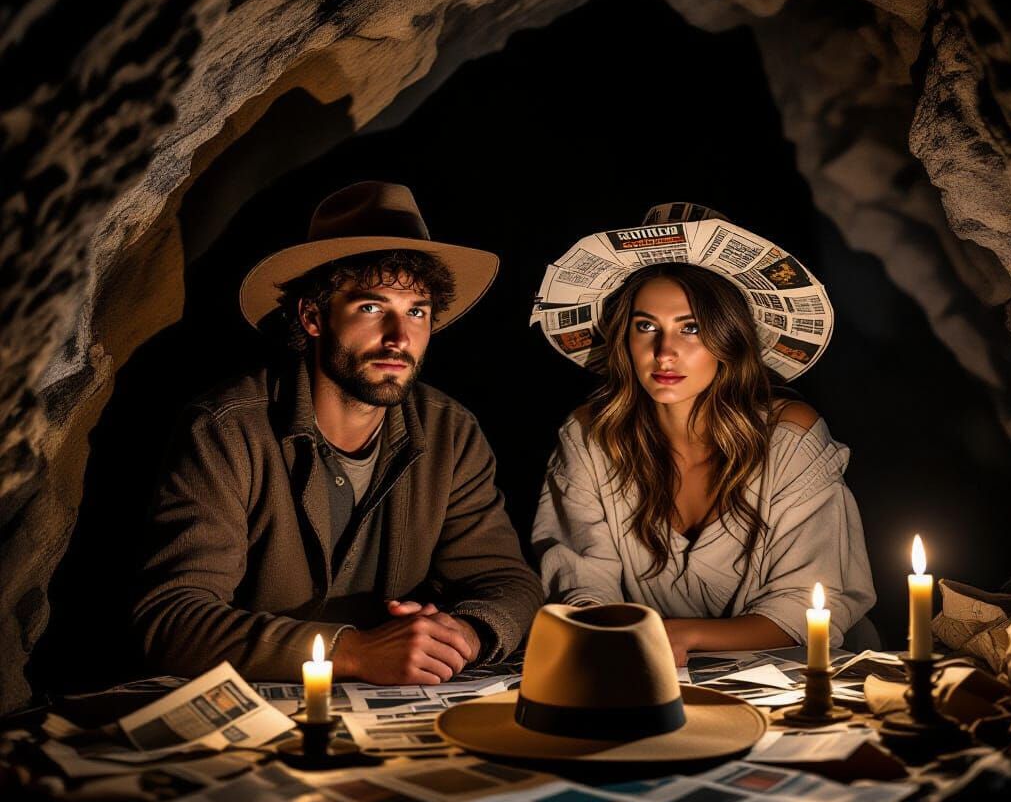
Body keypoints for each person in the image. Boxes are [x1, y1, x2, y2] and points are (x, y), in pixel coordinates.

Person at [134, 181, 542, 684]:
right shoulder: (227, 429)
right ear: (312, 316)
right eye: (372, 308)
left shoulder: (450, 431)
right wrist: (350, 651)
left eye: (417, 312)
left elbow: (508, 580)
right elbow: (172, 620)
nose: (400, 337)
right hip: (256, 707)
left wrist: (465, 633)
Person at [532, 204, 876, 665]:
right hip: (643, 670)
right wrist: (612, 636)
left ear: (728, 339)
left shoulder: (790, 436)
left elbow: (808, 606)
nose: (664, 351)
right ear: (624, 340)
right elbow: (581, 583)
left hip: (805, 674)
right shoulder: (590, 438)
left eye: (690, 328)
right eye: (646, 326)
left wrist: (675, 636)